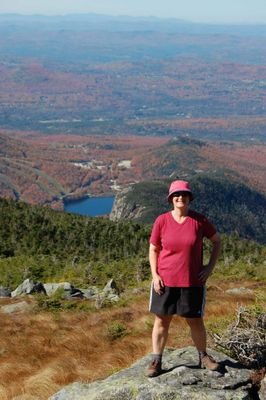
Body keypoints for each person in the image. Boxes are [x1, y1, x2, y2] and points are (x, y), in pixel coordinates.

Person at [147, 180, 221, 377]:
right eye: (176, 195)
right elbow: (153, 249)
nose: (180, 198)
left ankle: (203, 357)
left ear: (189, 198)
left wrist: (209, 268)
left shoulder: (200, 221)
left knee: (195, 321)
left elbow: (217, 241)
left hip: (192, 282)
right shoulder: (161, 221)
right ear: (171, 199)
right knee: (162, 321)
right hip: (165, 281)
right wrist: (155, 276)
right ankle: (156, 360)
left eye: (184, 195)